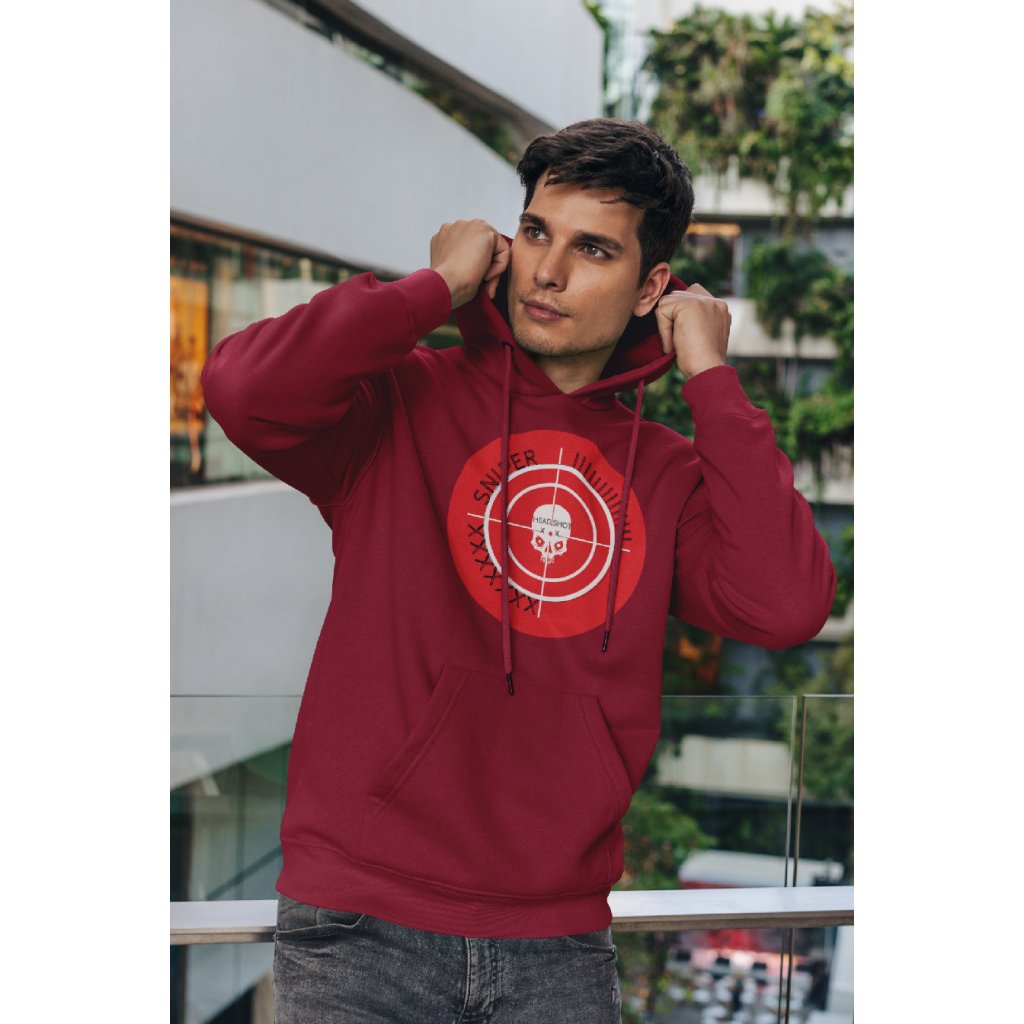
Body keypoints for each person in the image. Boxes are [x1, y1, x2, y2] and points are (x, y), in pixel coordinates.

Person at [201, 118, 837, 1023]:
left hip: (557, 942)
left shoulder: (664, 473)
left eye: (593, 249)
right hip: (359, 924)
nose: (548, 271)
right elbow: (243, 390)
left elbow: (786, 604)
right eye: (537, 232)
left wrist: (709, 374)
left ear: (652, 286)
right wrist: (431, 288)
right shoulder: (401, 401)